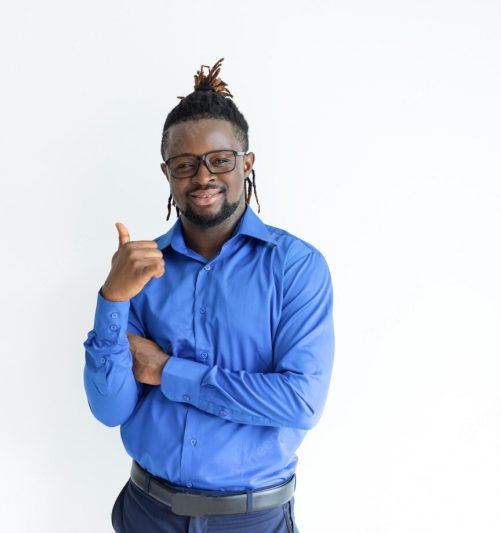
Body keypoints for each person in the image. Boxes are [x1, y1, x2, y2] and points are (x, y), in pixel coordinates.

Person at [82, 58, 335, 533]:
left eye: (220, 160)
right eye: (185, 164)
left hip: (250, 520)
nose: (203, 177)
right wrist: (112, 300)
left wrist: (167, 371)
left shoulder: (296, 267)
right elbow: (109, 408)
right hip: (147, 513)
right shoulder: (137, 271)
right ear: (168, 173)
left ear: (247, 164)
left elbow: (301, 401)